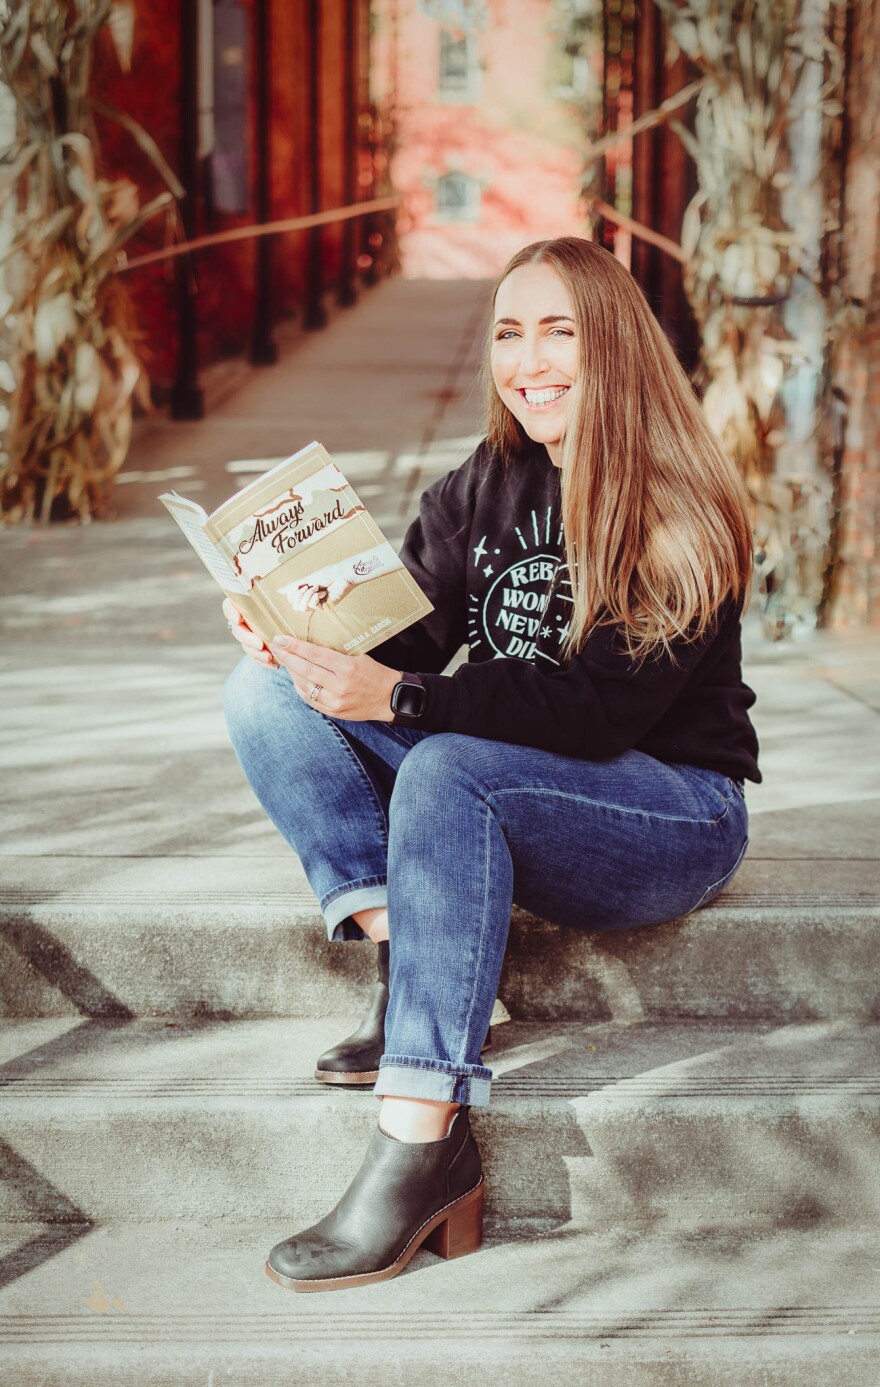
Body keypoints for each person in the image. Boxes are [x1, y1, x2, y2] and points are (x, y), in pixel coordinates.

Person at [222, 236, 760, 1293]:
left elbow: (603, 710)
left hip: (666, 811)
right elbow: (406, 648)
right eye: (509, 333)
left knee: (447, 766)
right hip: (515, 779)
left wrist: (407, 700)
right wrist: (294, 630)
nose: (530, 358)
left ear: (614, 345)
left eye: (559, 329)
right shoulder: (488, 482)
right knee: (267, 692)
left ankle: (422, 1138)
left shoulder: (678, 501)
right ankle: (404, 960)